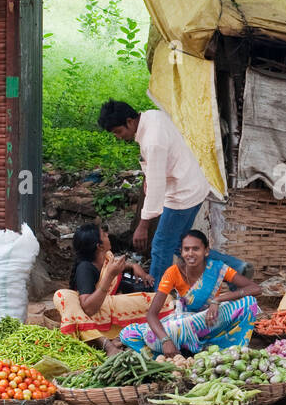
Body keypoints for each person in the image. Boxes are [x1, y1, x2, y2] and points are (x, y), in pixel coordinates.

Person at [98, 100, 247, 284]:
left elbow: (156, 185)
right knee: (179, 244)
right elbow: (154, 170)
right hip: (193, 184)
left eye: (119, 132)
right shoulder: (152, 115)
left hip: (182, 193)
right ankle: (235, 268)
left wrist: (143, 226)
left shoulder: (152, 141)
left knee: (161, 246)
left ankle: (157, 296)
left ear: (129, 121)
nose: (119, 137)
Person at [119, 230, 261, 356]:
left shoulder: (217, 268)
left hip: (212, 321)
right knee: (128, 334)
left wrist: (219, 299)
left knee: (249, 303)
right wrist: (165, 340)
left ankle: (218, 348)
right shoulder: (173, 273)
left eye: (196, 249)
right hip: (185, 324)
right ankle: (190, 347)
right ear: (181, 252)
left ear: (206, 251)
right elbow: (151, 314)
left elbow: (255, 289)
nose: (190, 254)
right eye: (186, 249)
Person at [51, 224, 165, 349]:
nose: (108, 235)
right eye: (104, 235)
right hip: (99, 313)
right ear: (99, 246)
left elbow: (121, 265)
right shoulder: (85, 268)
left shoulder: (105, 258)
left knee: (160, 300)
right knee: (163, 302)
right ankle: (107, 341)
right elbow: (88, 309)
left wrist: (134, 266)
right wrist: (110, 276)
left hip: (111, 307)